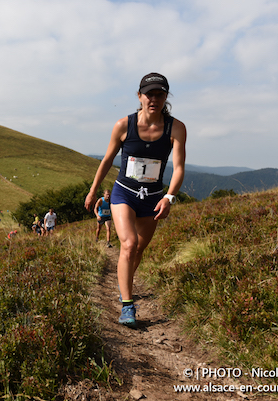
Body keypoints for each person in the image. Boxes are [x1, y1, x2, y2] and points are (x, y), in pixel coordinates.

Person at [84, 72, 187, 328]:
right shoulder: (123, 125)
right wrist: (93, 189)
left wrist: (169, 198)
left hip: (153, 198)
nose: (153, 99)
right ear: (139, 96)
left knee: (139, 248)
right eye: (148, 94)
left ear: (166, 97)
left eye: (159, 94)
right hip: (123, 193)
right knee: (128, 244)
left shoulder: (176, 128)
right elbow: (107, 160)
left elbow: (180, 168)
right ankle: (128, 306)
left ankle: (125, 284)